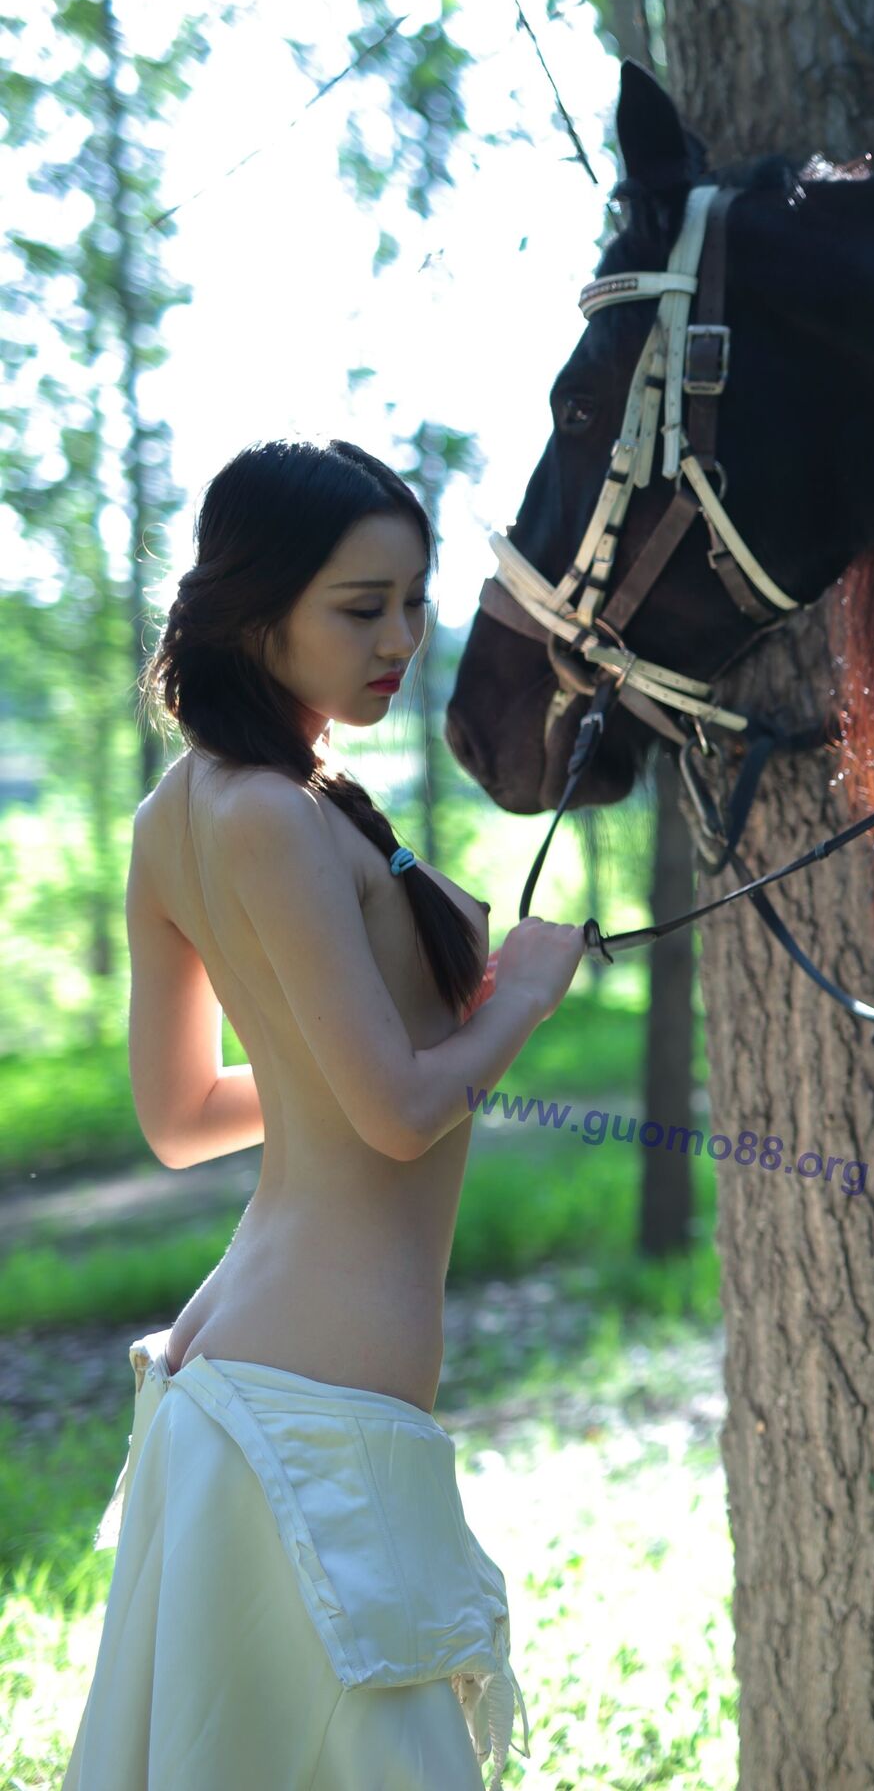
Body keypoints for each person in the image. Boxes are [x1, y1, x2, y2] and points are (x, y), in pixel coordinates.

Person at [60, 437, 589, 1790]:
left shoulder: (201, 808)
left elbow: (183, 1113)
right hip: (309, 1403)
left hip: (260, 1370)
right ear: (255, 610)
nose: (402, 638)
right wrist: (520, 992)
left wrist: (341, 1073)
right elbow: (402, 1115)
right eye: (363, 607)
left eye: (415, 600)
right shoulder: (268, 819)